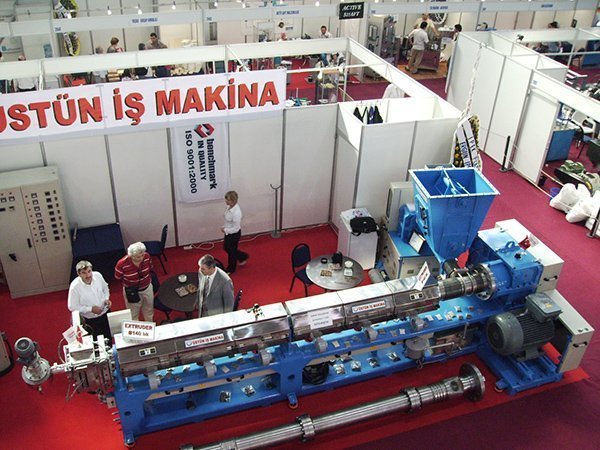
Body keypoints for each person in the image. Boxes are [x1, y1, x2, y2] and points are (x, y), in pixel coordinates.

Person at [67, 261, 112, 341]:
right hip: (90, 320)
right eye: (84, 273)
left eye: (89, 271)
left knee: (108, 337)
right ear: (79, 274)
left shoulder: (98, 275)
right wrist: (90, 309)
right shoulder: (74, 287)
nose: (88, 275)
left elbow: (105, 288)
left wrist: (106, 299)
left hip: (105, 314)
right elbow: (72, 307)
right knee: (95, 342)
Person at [114, 242, 154, 322]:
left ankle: (150, 324)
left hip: (147, 288)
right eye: (138, 257)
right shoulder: (121, 264)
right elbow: (117, 277)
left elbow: (150, 267)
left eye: (142, 255)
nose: (141, 258)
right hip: (132, 291)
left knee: (149, 309)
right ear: (131, 256)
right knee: (133, 313)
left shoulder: (147, 256)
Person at [222, 190, 249, 274]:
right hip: (228, 232)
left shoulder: (237, 213)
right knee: (227, 248)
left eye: (228, 200)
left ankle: (231, 269)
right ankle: (242, 256)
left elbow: (236, 228)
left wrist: (225, 230)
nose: (226, 201)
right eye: (226, 199)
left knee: (231, 252)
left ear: (233, 201)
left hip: (234, 234)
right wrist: (225, 227)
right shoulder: (229, 207)